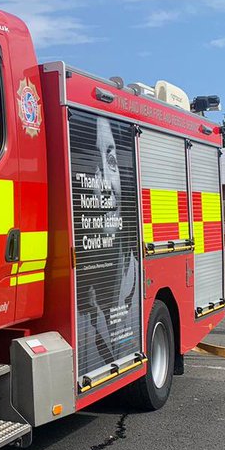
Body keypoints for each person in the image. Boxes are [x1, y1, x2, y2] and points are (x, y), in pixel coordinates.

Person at [76, 116, 140, 373]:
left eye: (111, 161)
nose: (106, 186)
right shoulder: (79, 300)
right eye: (92, 164)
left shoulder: (134, 276)